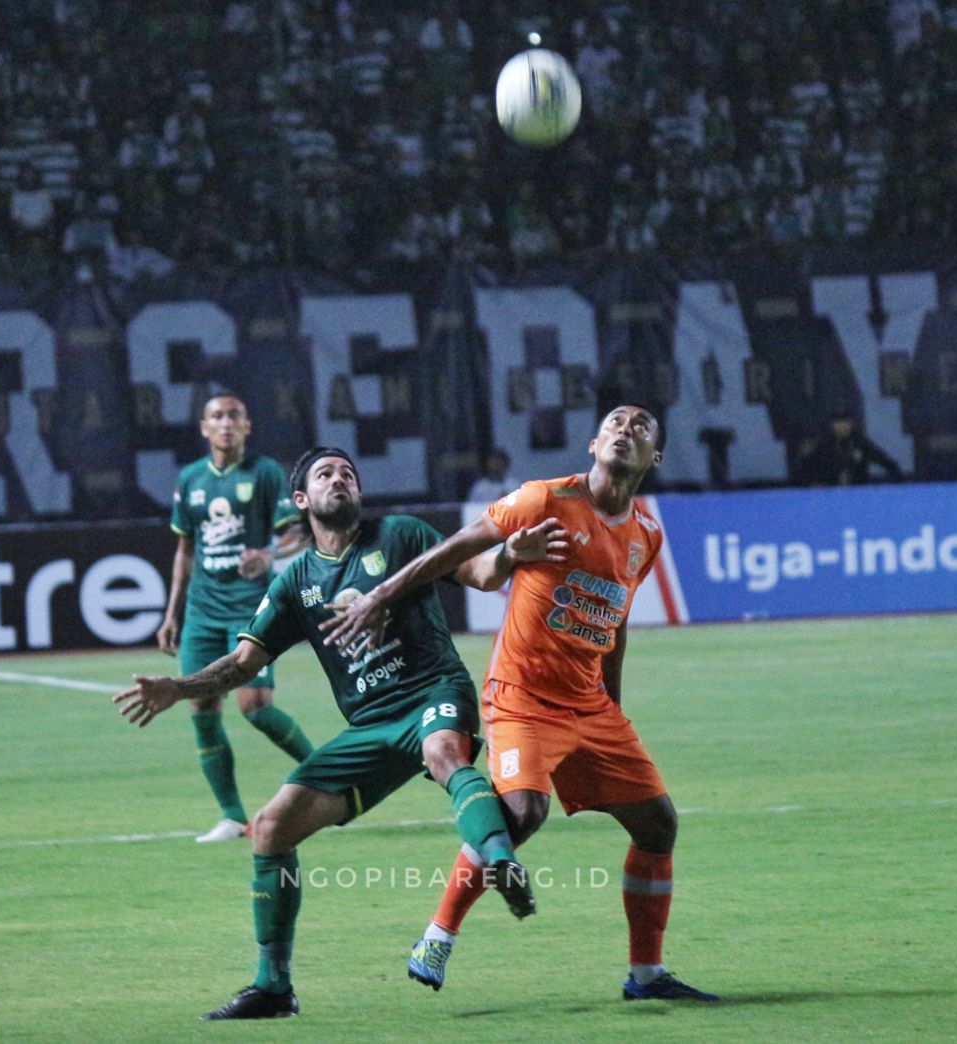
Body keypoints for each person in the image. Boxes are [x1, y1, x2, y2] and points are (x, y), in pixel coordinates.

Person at [116, 446, 565, 1020]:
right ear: (301, 500)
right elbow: (244, 664)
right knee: (272, 828)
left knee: (443, 750)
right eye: (326, 475)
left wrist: (509, 554)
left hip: (433, 693)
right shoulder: (296, 582)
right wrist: (179, 687)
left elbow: (479, 573)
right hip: (371, 725)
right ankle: (273, 987)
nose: (340, 480)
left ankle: (501, 861)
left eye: (348, 473)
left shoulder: (399, 535)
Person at [323, 405, 720, 1004]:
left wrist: (611, 707)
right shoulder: (543, 500)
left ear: (655, 458)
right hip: (523, 697)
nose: (626, 429)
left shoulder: (647, 535)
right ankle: (437, 935)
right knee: (524, 813)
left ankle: (646, 976)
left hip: (590, 706)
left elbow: (615, 620)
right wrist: (381, 595)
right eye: (615, 421)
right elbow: (457, 548)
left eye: (641, 426)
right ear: (593, 443)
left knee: (658, 825)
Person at [158, 393, 313, 842]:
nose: (226, 424)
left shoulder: (265, 473)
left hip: (250, 606)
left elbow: (297, 533)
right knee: (202, 706)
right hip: (203, 611)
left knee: (255, 707)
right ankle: (231, 816)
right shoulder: (190, 479)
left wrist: (267, 554)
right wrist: (173, 613)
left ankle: (326, 771)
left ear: (248, 426)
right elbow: (185, 549)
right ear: (204, 428)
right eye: (217, 417)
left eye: (235, 417)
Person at [799, 411, 903, 485]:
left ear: (851, 424)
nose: (842, 426)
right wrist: (816, 484)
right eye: (838, 423)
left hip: (858, 493)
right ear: (832, 425)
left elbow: (886, 462)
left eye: (845, 422)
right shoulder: (823, 445)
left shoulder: (860, 443)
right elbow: (805, 469)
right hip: (829, 494)